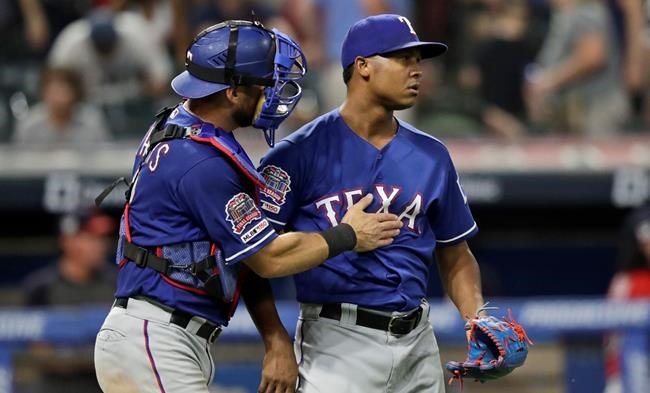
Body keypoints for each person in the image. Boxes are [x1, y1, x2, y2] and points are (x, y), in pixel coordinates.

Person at [93, 20, 402, 393]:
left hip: (158, 336)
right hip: (155, 337)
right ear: (232, 92)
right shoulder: (200, 161)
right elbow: (268, 259)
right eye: (264, 83)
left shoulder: (183, 124)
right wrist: (347, 235)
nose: (275, 92)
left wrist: (274, 337)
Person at [258, 14, 489, 393]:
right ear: (362, 66)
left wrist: (475, 317)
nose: (417, 71)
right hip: (336, 341)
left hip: (418, 341)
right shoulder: (295, 154)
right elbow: (253, 259)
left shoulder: (432, 155)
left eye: (419, 61)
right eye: (403, 59)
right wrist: (275, 340)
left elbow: (456, 253)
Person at [22, 209, 116, 393]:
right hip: (55, 387)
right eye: (91, 238)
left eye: (101, 239)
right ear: (68, 241)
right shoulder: (41, 286)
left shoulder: (117, 283)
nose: (100, 245)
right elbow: (37, 351)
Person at [604, 201, 650, 393]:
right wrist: (615, 376)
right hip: (634, 370)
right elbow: (613, 336)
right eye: (647, 243)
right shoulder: (627, 281)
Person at [12, 67, 111, 149]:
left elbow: (105, 157)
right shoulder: (29, 124)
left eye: (64, 91)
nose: (59, 98)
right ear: (44, 93)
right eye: (54, 91)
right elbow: (18, 162)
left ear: (75, 93)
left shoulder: (92, 121)